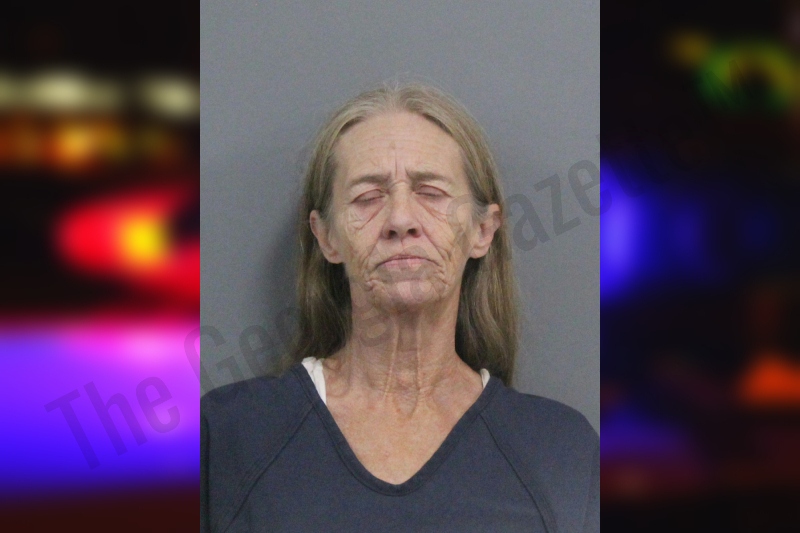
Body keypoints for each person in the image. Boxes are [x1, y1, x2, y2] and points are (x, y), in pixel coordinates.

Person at [201, 83, 598, 532]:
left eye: (431, 193)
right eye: (367, 197)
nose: (401, 220)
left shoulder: (560, 452)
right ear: (327, 237)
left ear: (483, 231)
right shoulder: (227, 438)